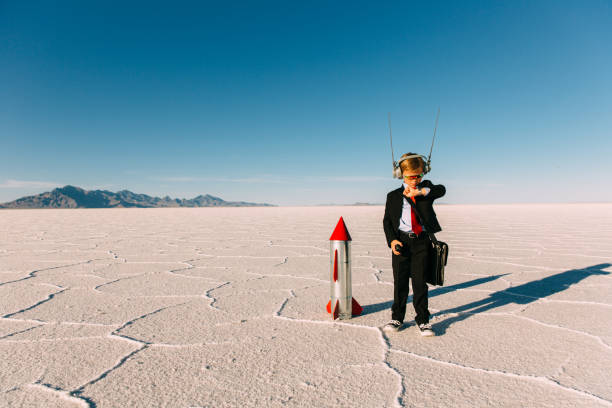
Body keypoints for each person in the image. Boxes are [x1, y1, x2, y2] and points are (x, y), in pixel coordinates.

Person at [382, 152, 446, 336]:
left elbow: (441, 190)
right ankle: (397, 318)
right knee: (400, 282)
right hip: (401, 242)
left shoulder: (426, 190)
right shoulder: (393, 196)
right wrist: (392, 240)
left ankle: (423, 320)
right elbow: (387, 221)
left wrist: (421, 192)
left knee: (419, 283)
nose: (415, 180)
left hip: (422, 243)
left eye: (419, 175)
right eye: (410, 176)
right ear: (400, 174)